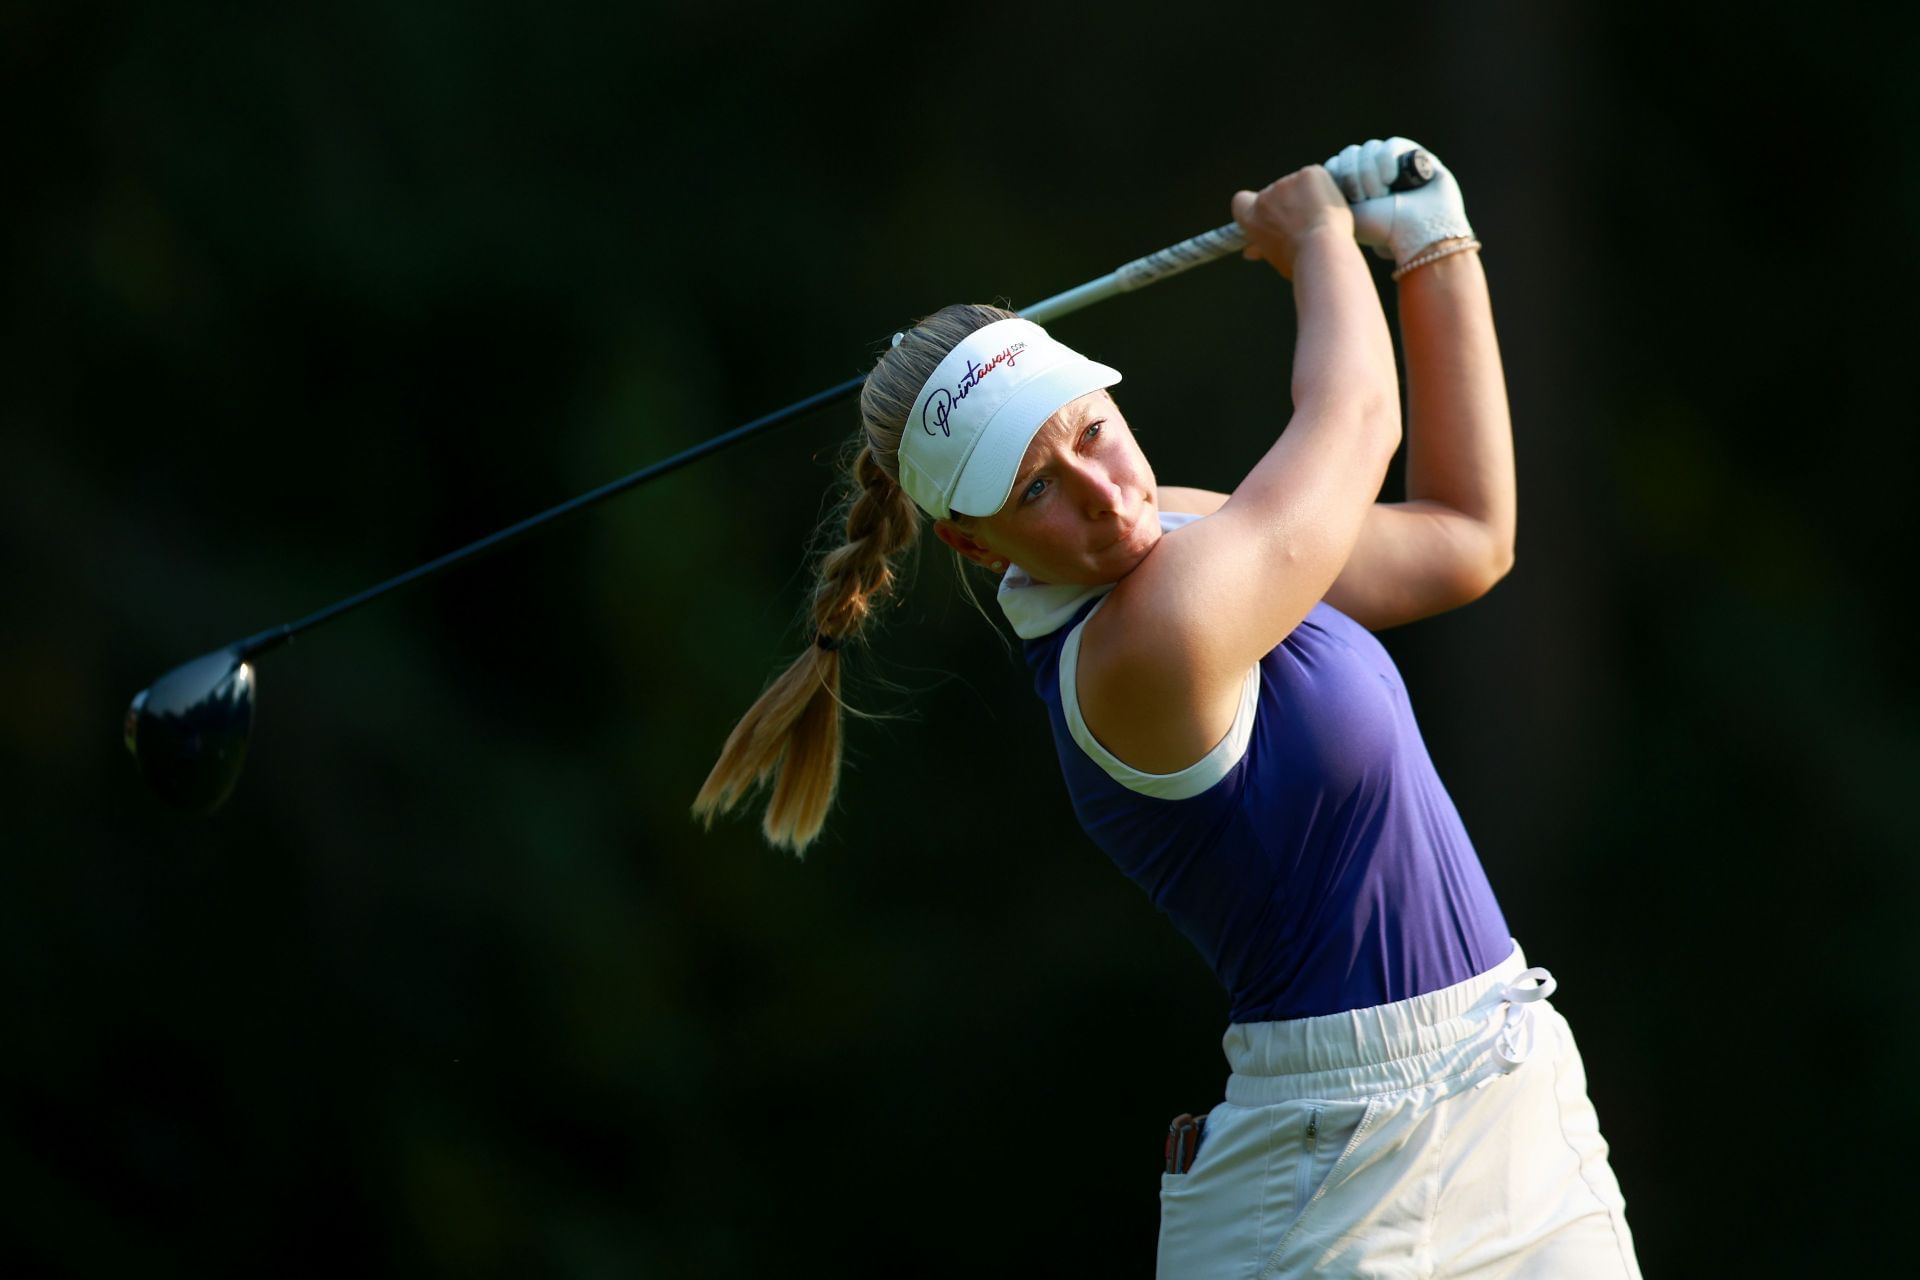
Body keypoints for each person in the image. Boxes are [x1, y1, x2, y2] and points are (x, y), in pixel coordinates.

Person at [692, 137, 1642, 1278]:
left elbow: (1464, 537)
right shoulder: (1141, 645)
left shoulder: (1186, 533)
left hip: (1511, 1093)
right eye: (1035, 488)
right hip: (1330, 1181)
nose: (1104, 492)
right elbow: (1355, 421)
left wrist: (1435, 247)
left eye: (1092, 430)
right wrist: (1317, 238)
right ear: (971, 539)